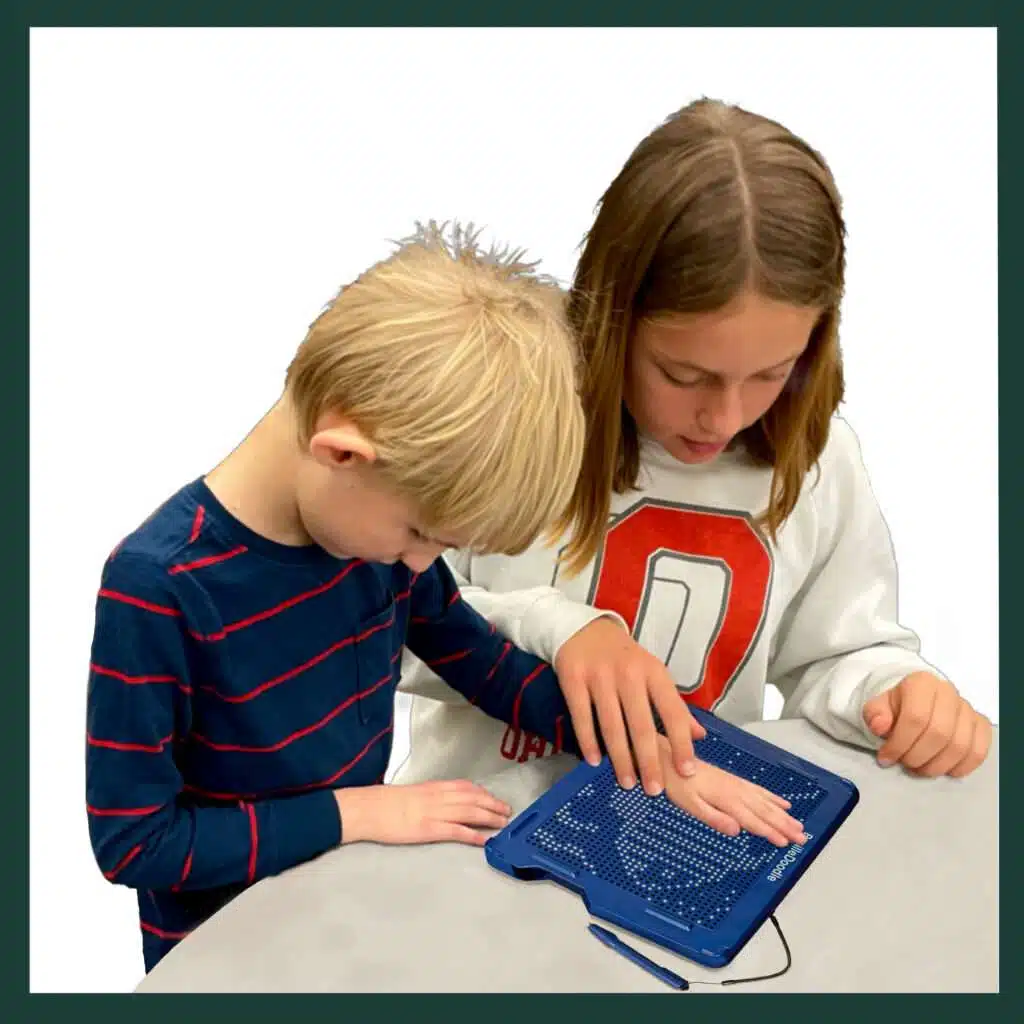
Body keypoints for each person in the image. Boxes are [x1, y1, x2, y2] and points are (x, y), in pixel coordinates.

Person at [85, 222, 804, 973]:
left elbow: (480, 660)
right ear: (343, 454)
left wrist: (654, 756)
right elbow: (136, 841)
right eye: (421, 534)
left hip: (345, 902)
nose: (423, 563)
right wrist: (361, 814)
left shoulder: (370, 537)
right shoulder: (158, 589)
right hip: (227, 957)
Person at [394, 99, 993, 817]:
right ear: (614, 317)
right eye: (684, 375)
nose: (725, 415)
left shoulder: (820, 461)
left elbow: (835, 656)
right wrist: (556, 629)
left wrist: (893, 690)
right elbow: (380, 623)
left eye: (773, 373)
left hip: (681, 839)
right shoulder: (510, 407)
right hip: (470, 846)